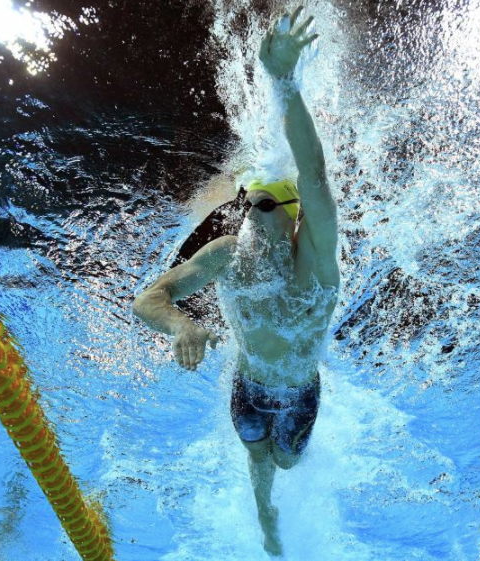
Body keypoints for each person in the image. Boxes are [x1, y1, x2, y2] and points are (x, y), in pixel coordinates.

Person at [132, 7, 338, 556]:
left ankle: (277, 502)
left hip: (297, 393)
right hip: (248, 387)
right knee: (257, 460)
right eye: (249, 203)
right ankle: (268, 527)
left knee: (288, 460)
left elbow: (314, 174)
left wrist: (284, 81)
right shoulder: (226, 255)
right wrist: (179, 323)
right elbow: (147, 299)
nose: (253, 211)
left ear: (295, 215)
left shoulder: (315, 260)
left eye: (267, 203)